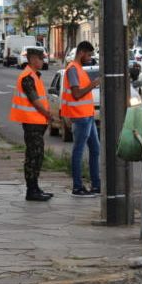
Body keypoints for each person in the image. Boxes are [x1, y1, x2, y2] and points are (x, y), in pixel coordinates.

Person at [8, 48, 54, 202]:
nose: (43, 61)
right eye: (41, 59)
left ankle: (35, 187)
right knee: (33, 156)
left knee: (38, 155)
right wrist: (48, 114)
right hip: (32, 122)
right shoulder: (27, 77)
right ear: (34, 59)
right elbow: (35, 101)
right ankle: (31, 190)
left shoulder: (34, 76)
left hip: (37, 123)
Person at [63, 41, 101, 197]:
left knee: (95, 149)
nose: (90, 58)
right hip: (80, 116)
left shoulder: (79, 69)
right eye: (89, 54)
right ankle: (77, 187)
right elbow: (76, 94)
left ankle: (96, 185)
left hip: (88, 116)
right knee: (78, 151)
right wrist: (93, 85)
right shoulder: (72, 69)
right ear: (81, 53)